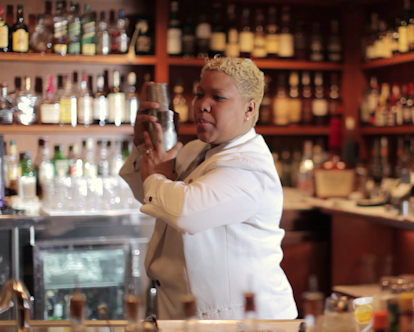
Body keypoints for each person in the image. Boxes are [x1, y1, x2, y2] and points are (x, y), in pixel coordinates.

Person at [120, 56, 298, 320]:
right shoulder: (195, 150)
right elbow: (151, 196)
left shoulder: (249, 166)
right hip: (191, 311)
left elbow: (186, 212)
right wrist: (142, 145)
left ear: (249, 109)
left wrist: (156, 177)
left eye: (219, 97)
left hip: (244, 320)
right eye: (200, 94)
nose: (203, 105)